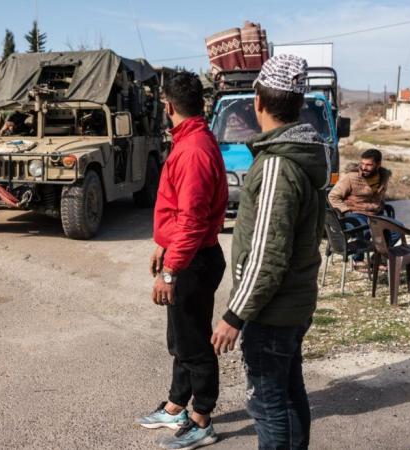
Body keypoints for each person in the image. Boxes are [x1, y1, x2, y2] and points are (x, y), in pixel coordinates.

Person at [211, 54, 329, 449]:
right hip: (290, 307)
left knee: (268, 405)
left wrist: (234, 315)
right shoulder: (298, 156)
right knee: (288, 394)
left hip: (272, 311)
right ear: (298, 105)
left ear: (257, 101)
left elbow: (266, 255)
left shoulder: (278, 165)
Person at [136, 72, 228, 450]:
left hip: (193, 260)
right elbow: (178, 210)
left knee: (193, 345)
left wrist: (171, 272)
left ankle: (201, 418)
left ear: (168, 106)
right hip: (187, 253)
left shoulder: (192, 150)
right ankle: (177, 405)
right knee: (180, 339)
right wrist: (163, 242)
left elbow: (192, 220)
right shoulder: (190, 140)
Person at [328, 149, 397, 269]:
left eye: (369, 165)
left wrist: (381, 207)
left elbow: (379, 197)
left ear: (378, 164)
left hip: (375, 214)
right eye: (362, 164)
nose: (364, 167)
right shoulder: (351, 177)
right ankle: (358, 260)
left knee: (397, 229)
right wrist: (345, 211)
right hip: (354, 213)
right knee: (364, 229)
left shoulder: (383, 177)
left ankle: (376, 259)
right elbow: (333, 196)